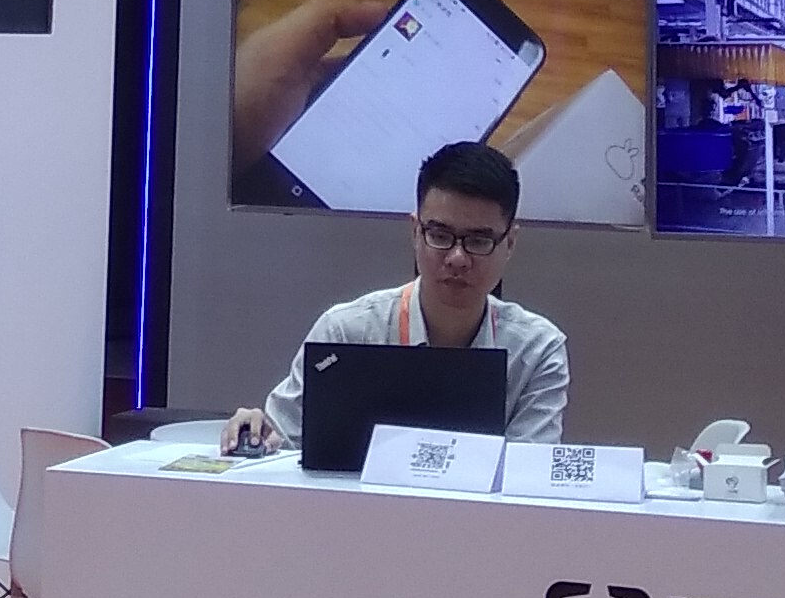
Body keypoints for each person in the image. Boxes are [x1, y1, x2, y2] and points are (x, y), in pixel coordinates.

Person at [225, 138, 570, 454]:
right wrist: (258, 434)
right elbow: (282, 444)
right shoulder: (346, 332)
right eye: (440, 235)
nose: (457, 258)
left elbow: (528, 474)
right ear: (415, 232)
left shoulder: (537, 349)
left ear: (510, 243)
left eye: (479, 241)